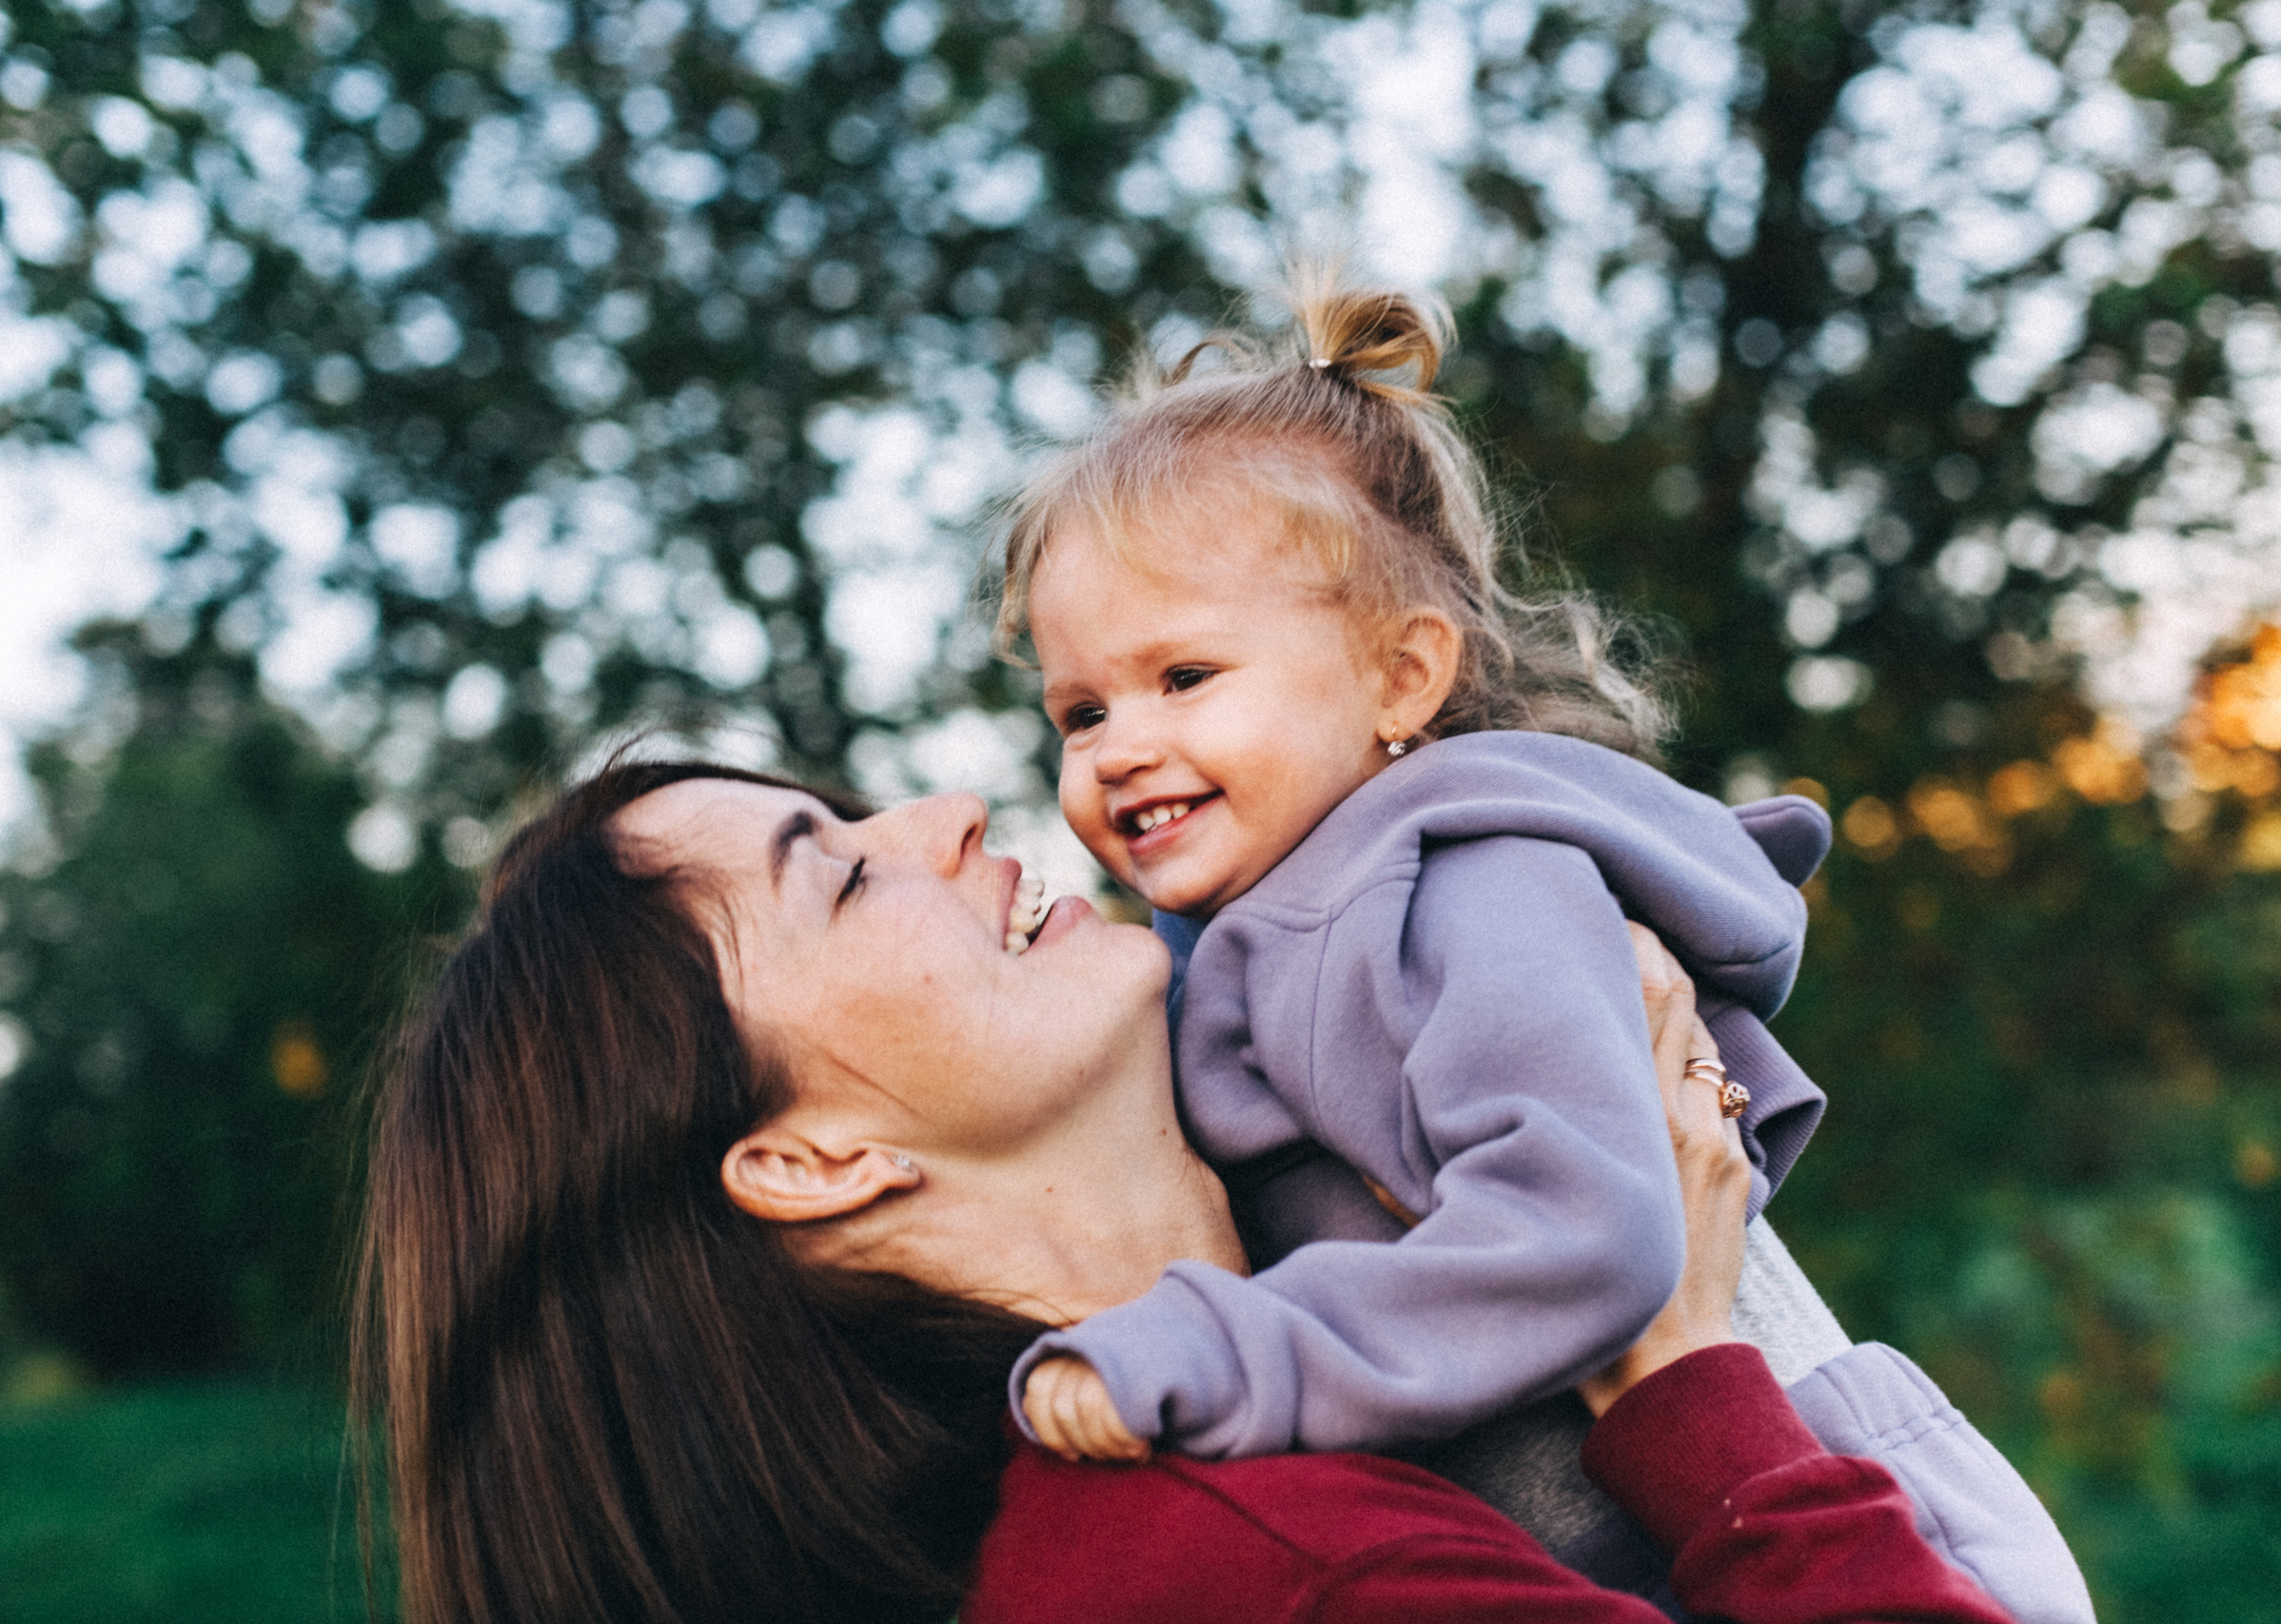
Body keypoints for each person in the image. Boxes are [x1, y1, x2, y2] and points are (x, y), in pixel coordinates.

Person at [993, 280, 2091, 1620]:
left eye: (1184, 679)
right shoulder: (1228, 943)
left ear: (1402, 679)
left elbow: (1586, 1236)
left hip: (1847, 1522)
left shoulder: (1476, 880)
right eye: (1080, 707)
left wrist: (1219, 1350)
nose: (1118, 748)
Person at [353, 759, 2052, 1624]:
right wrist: (1692, 1395)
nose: (948, 812)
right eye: (842, 870)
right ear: (808, 1160)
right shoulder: (1263, 1574)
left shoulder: (1257, 1470)